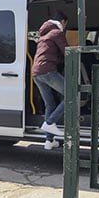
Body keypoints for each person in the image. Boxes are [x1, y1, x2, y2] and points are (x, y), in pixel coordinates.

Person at [32, 11, 68, 150]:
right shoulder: (57, 33)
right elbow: (67, 51)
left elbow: (50, 54)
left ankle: (49, 141)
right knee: (72, 95)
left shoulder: (43, 35)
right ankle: (50, 122)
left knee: (50, 104)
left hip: (37, 73)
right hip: (47, 71)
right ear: (63, 21)